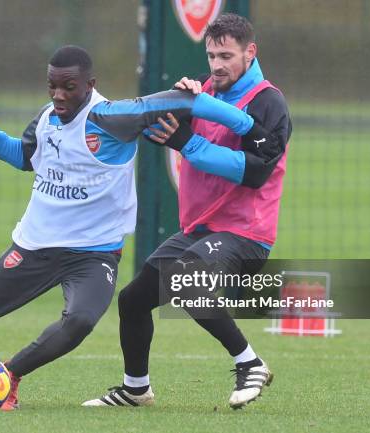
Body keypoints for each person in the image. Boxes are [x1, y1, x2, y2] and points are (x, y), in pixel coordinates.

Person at [0, 44, 271, 410]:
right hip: (34, 248)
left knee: (81, 321)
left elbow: (190, 103)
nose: (58, 94)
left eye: (68, 87)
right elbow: (24, 157)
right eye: (52, 85)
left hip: (93, 255)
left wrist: (247, 126)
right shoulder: (47, 117)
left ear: (90, 84)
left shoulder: (114, 118)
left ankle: (7, 378)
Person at [83, 13, 292, 409]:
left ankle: (250, 362)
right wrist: (156, 116)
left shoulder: (269, 101)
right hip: (200, 230)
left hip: (246, 234)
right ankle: (136, 389)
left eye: (226, 55)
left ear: (251, 53)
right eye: (212, 54)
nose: (216, 64)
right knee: (132, 300)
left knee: (186, 279)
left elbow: (255, 172)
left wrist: (186, 142)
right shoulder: (202, 91)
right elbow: (156, 128)